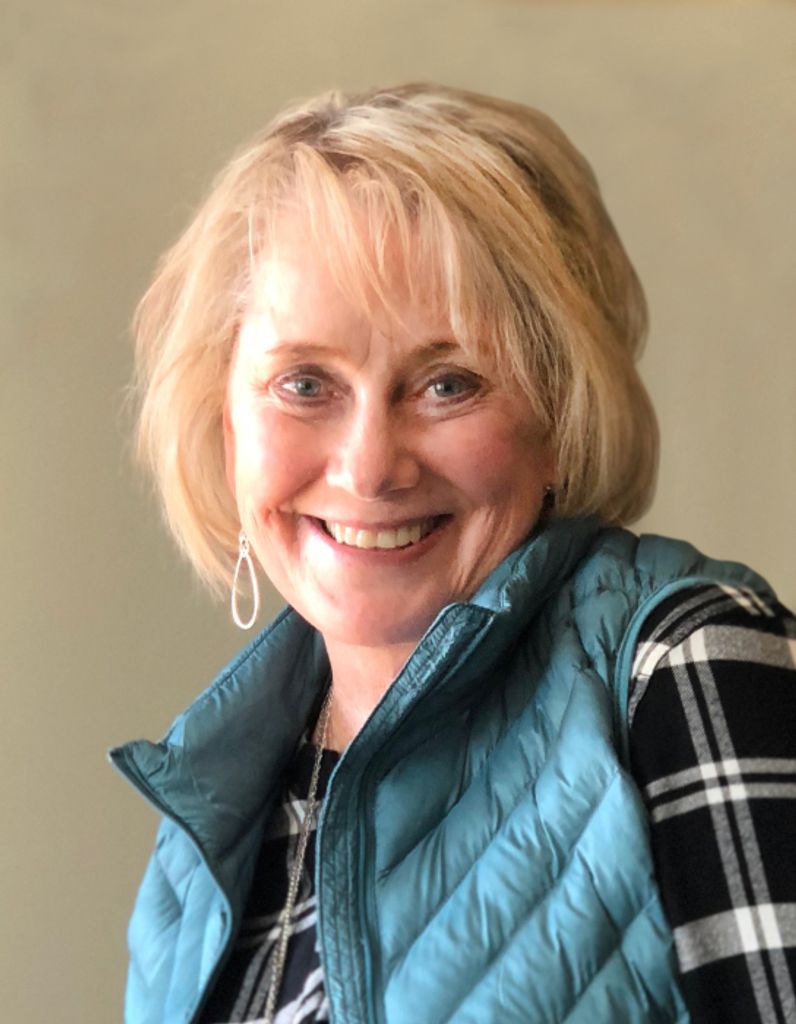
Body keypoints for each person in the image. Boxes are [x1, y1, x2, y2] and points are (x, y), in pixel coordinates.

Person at [110, 84, 796, 1024]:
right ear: (224, 419)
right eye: (304, 383)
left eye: (447, 383)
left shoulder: (687, 663)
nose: (368, 468)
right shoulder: (207, 827)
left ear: (560, 411)